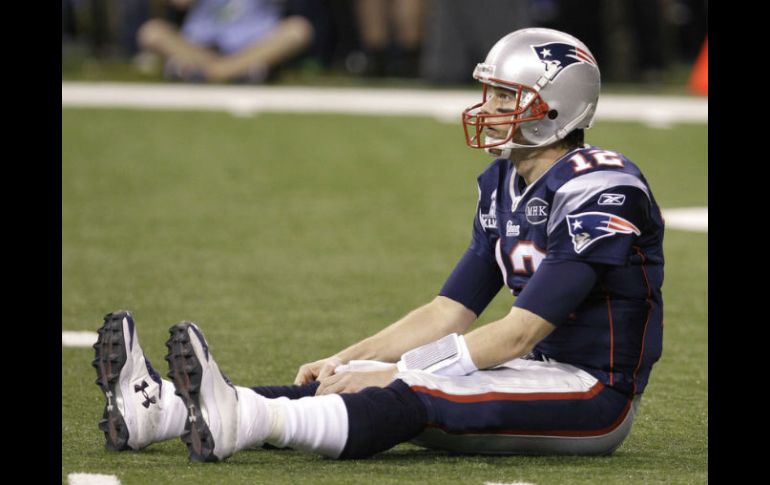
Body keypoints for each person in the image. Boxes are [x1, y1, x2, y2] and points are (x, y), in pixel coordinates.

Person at [93, 27, 664, 461]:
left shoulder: (601, 188)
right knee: (355, 373)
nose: (486, 108)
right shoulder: (504, 183)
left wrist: (403, 370)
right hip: (533, 371)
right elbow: (448, 311)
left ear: (555, 107)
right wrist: (351, 356)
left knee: (411, 385)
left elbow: (520, 331)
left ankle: (244, 420)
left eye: (503, 95)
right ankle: (160, 412)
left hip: (592, 396)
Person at [135, 0, 314, 83]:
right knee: (151, 32)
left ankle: (208, 72)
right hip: (202, 46)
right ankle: (237, 72)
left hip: (253, 45)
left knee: (298, 30)